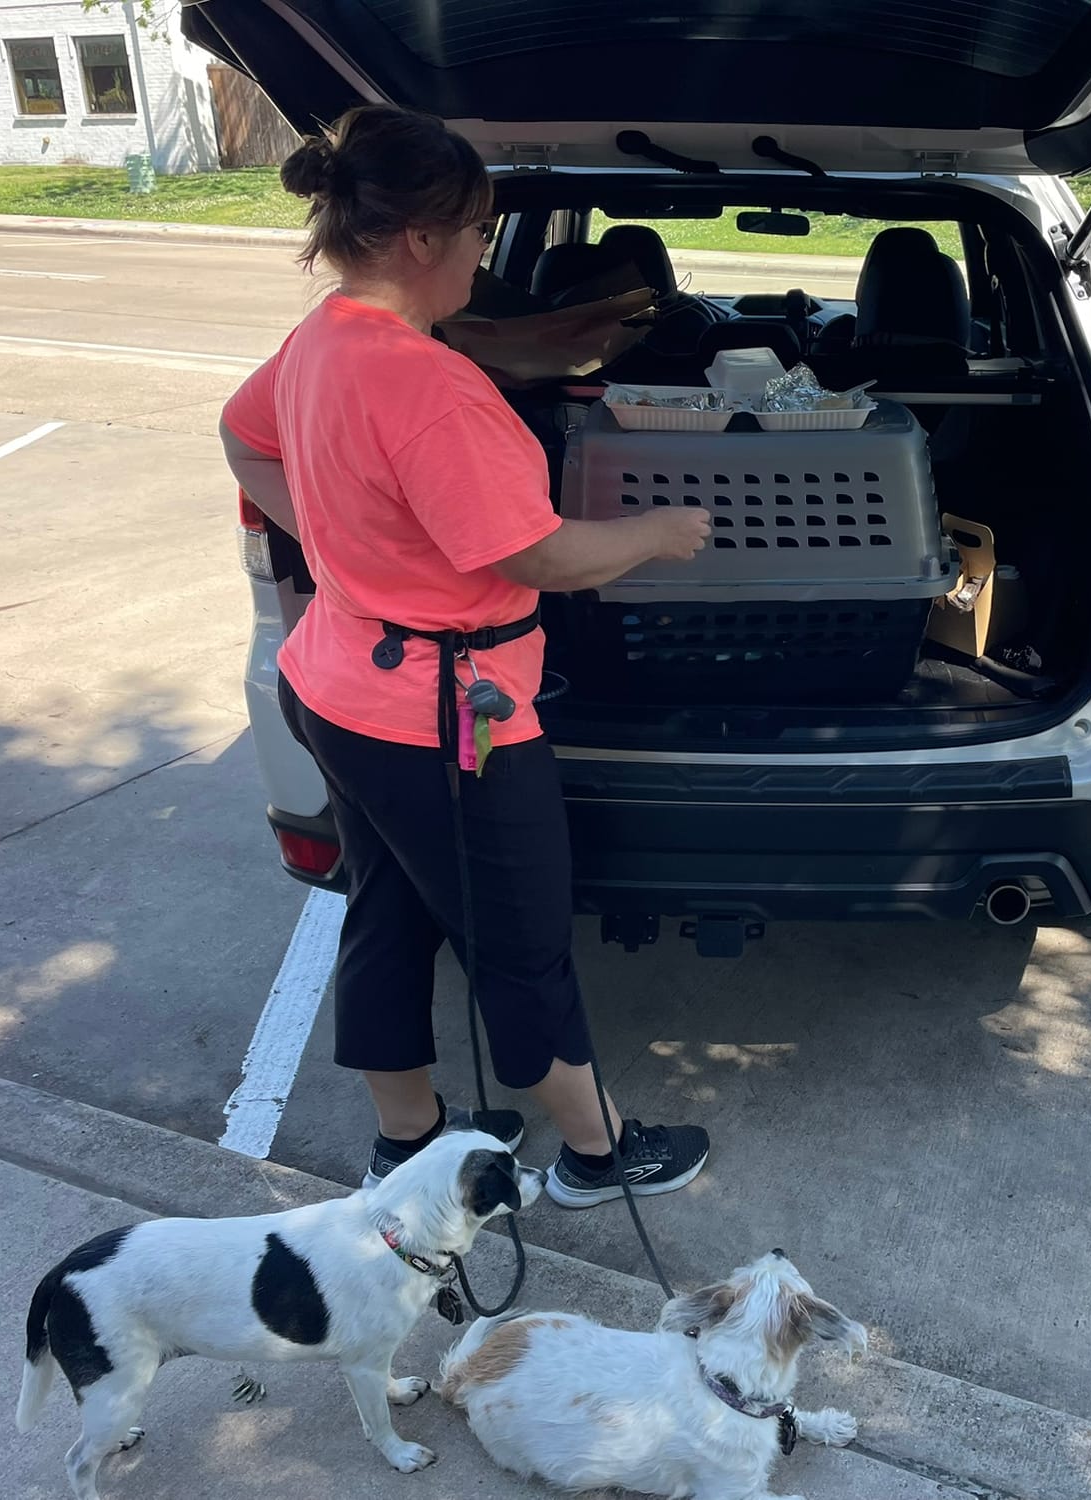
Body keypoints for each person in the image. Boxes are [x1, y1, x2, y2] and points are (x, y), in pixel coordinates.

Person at [219, 104, 712, 1205]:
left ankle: (406, 1138)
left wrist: (341, 549)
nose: (484, 255)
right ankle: (596, 1154)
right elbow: (538, 555)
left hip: (336, 686)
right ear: (420, 240)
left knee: (387, 907)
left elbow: (239, 433)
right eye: (482, 234)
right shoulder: (430, 389)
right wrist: (660, 532)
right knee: (520, 943)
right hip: (446, 722)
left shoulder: (326, 339)